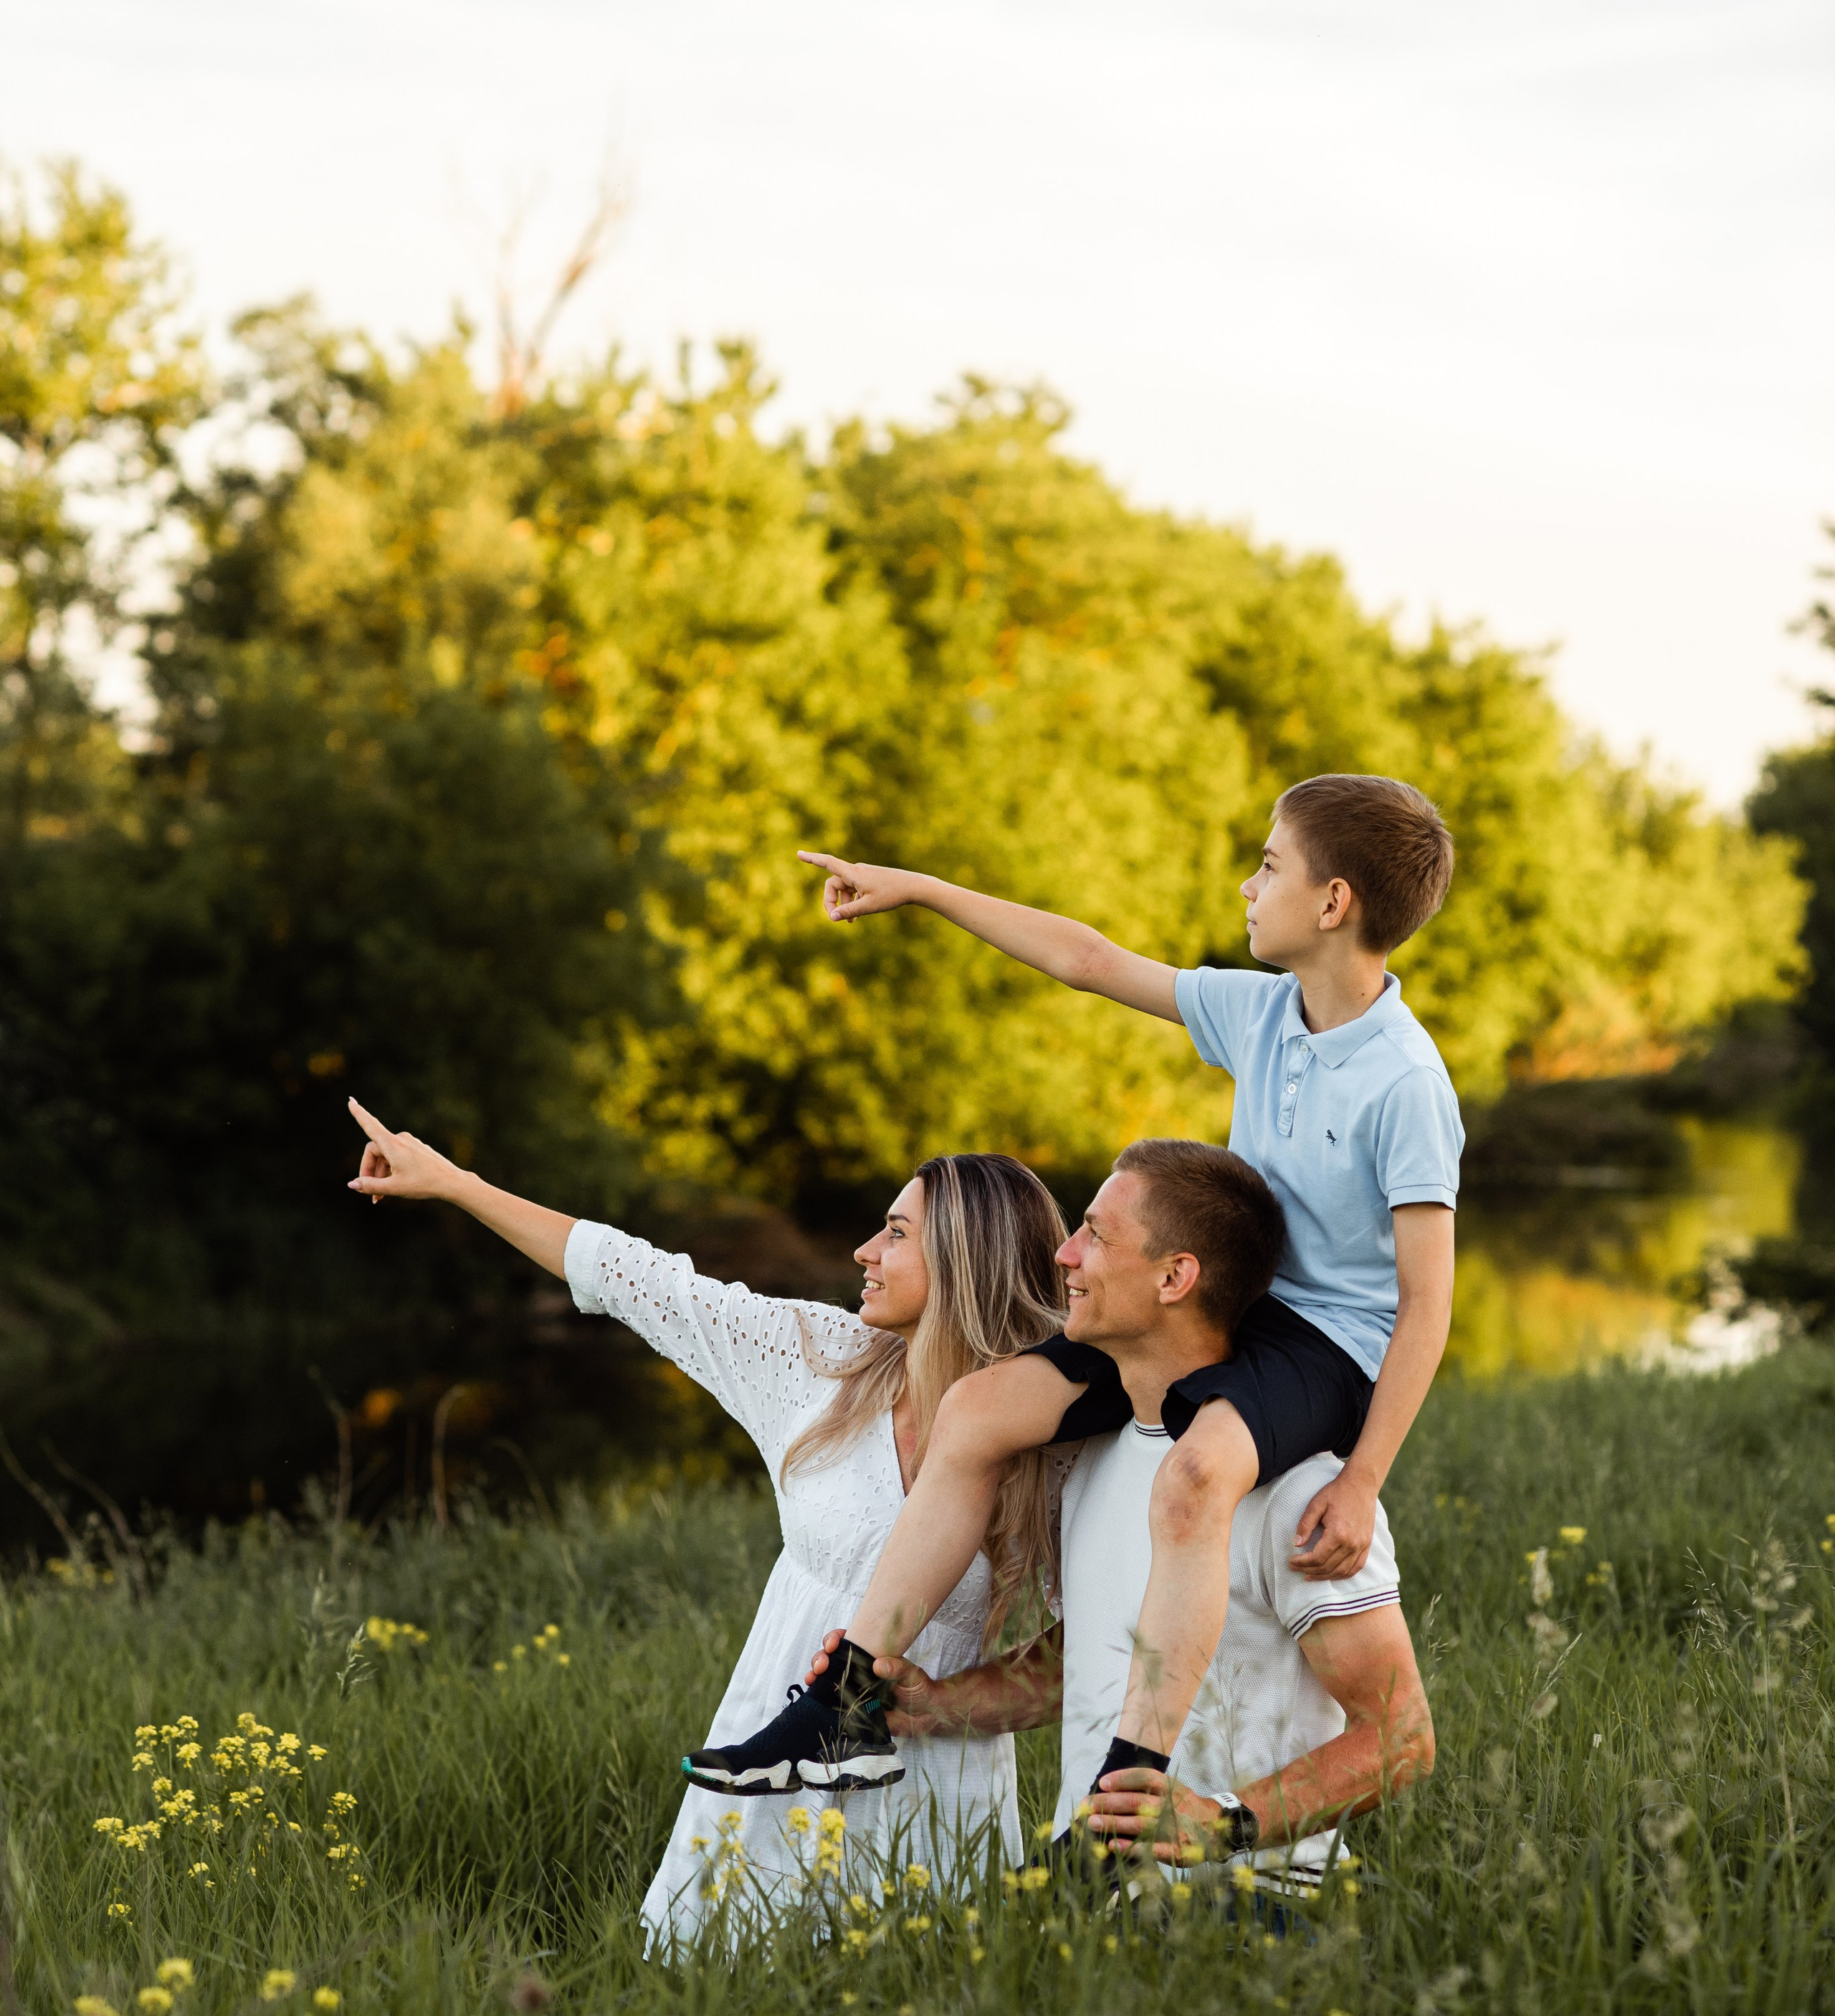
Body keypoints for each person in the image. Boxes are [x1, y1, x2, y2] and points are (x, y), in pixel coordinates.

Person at [688, 774, 1459, 1815]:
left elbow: (1425, 1305)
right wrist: (918, 889)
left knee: (1194, 1477)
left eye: (1269, 863)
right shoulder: (1264, 1010)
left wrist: (1363, 1479)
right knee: (981, 1407)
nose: (1247, 881)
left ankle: (1123, 1787)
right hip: (1240, 1306)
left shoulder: (1408, 1082)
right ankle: (845, 1699)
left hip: (1325, 1346)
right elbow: (1087, 959)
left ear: (1333, 903)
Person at [343, 1100, 1067, 1945]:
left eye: (897, 1234)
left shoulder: (1045, 1439)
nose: (865, 1252)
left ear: (967, 1263)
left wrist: (945, 1705)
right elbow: (637, 1278)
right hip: (774, 1730)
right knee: (729, 1982)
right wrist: (459, 1186)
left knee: (907, 2004)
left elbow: (1092, 1641)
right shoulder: (817, 1360)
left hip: (933, 1770)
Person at [807, 1140, 1435, 1898]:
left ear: (1175, 1277)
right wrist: (936, 1705)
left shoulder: (1296, 1490)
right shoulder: (1094, 1458)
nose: (1065, 1256)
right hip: (1097, 1910)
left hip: (1253, 1911)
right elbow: (1085, 1656)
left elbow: (1400, 1735)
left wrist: (1221, 1822)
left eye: (1096, 1236)